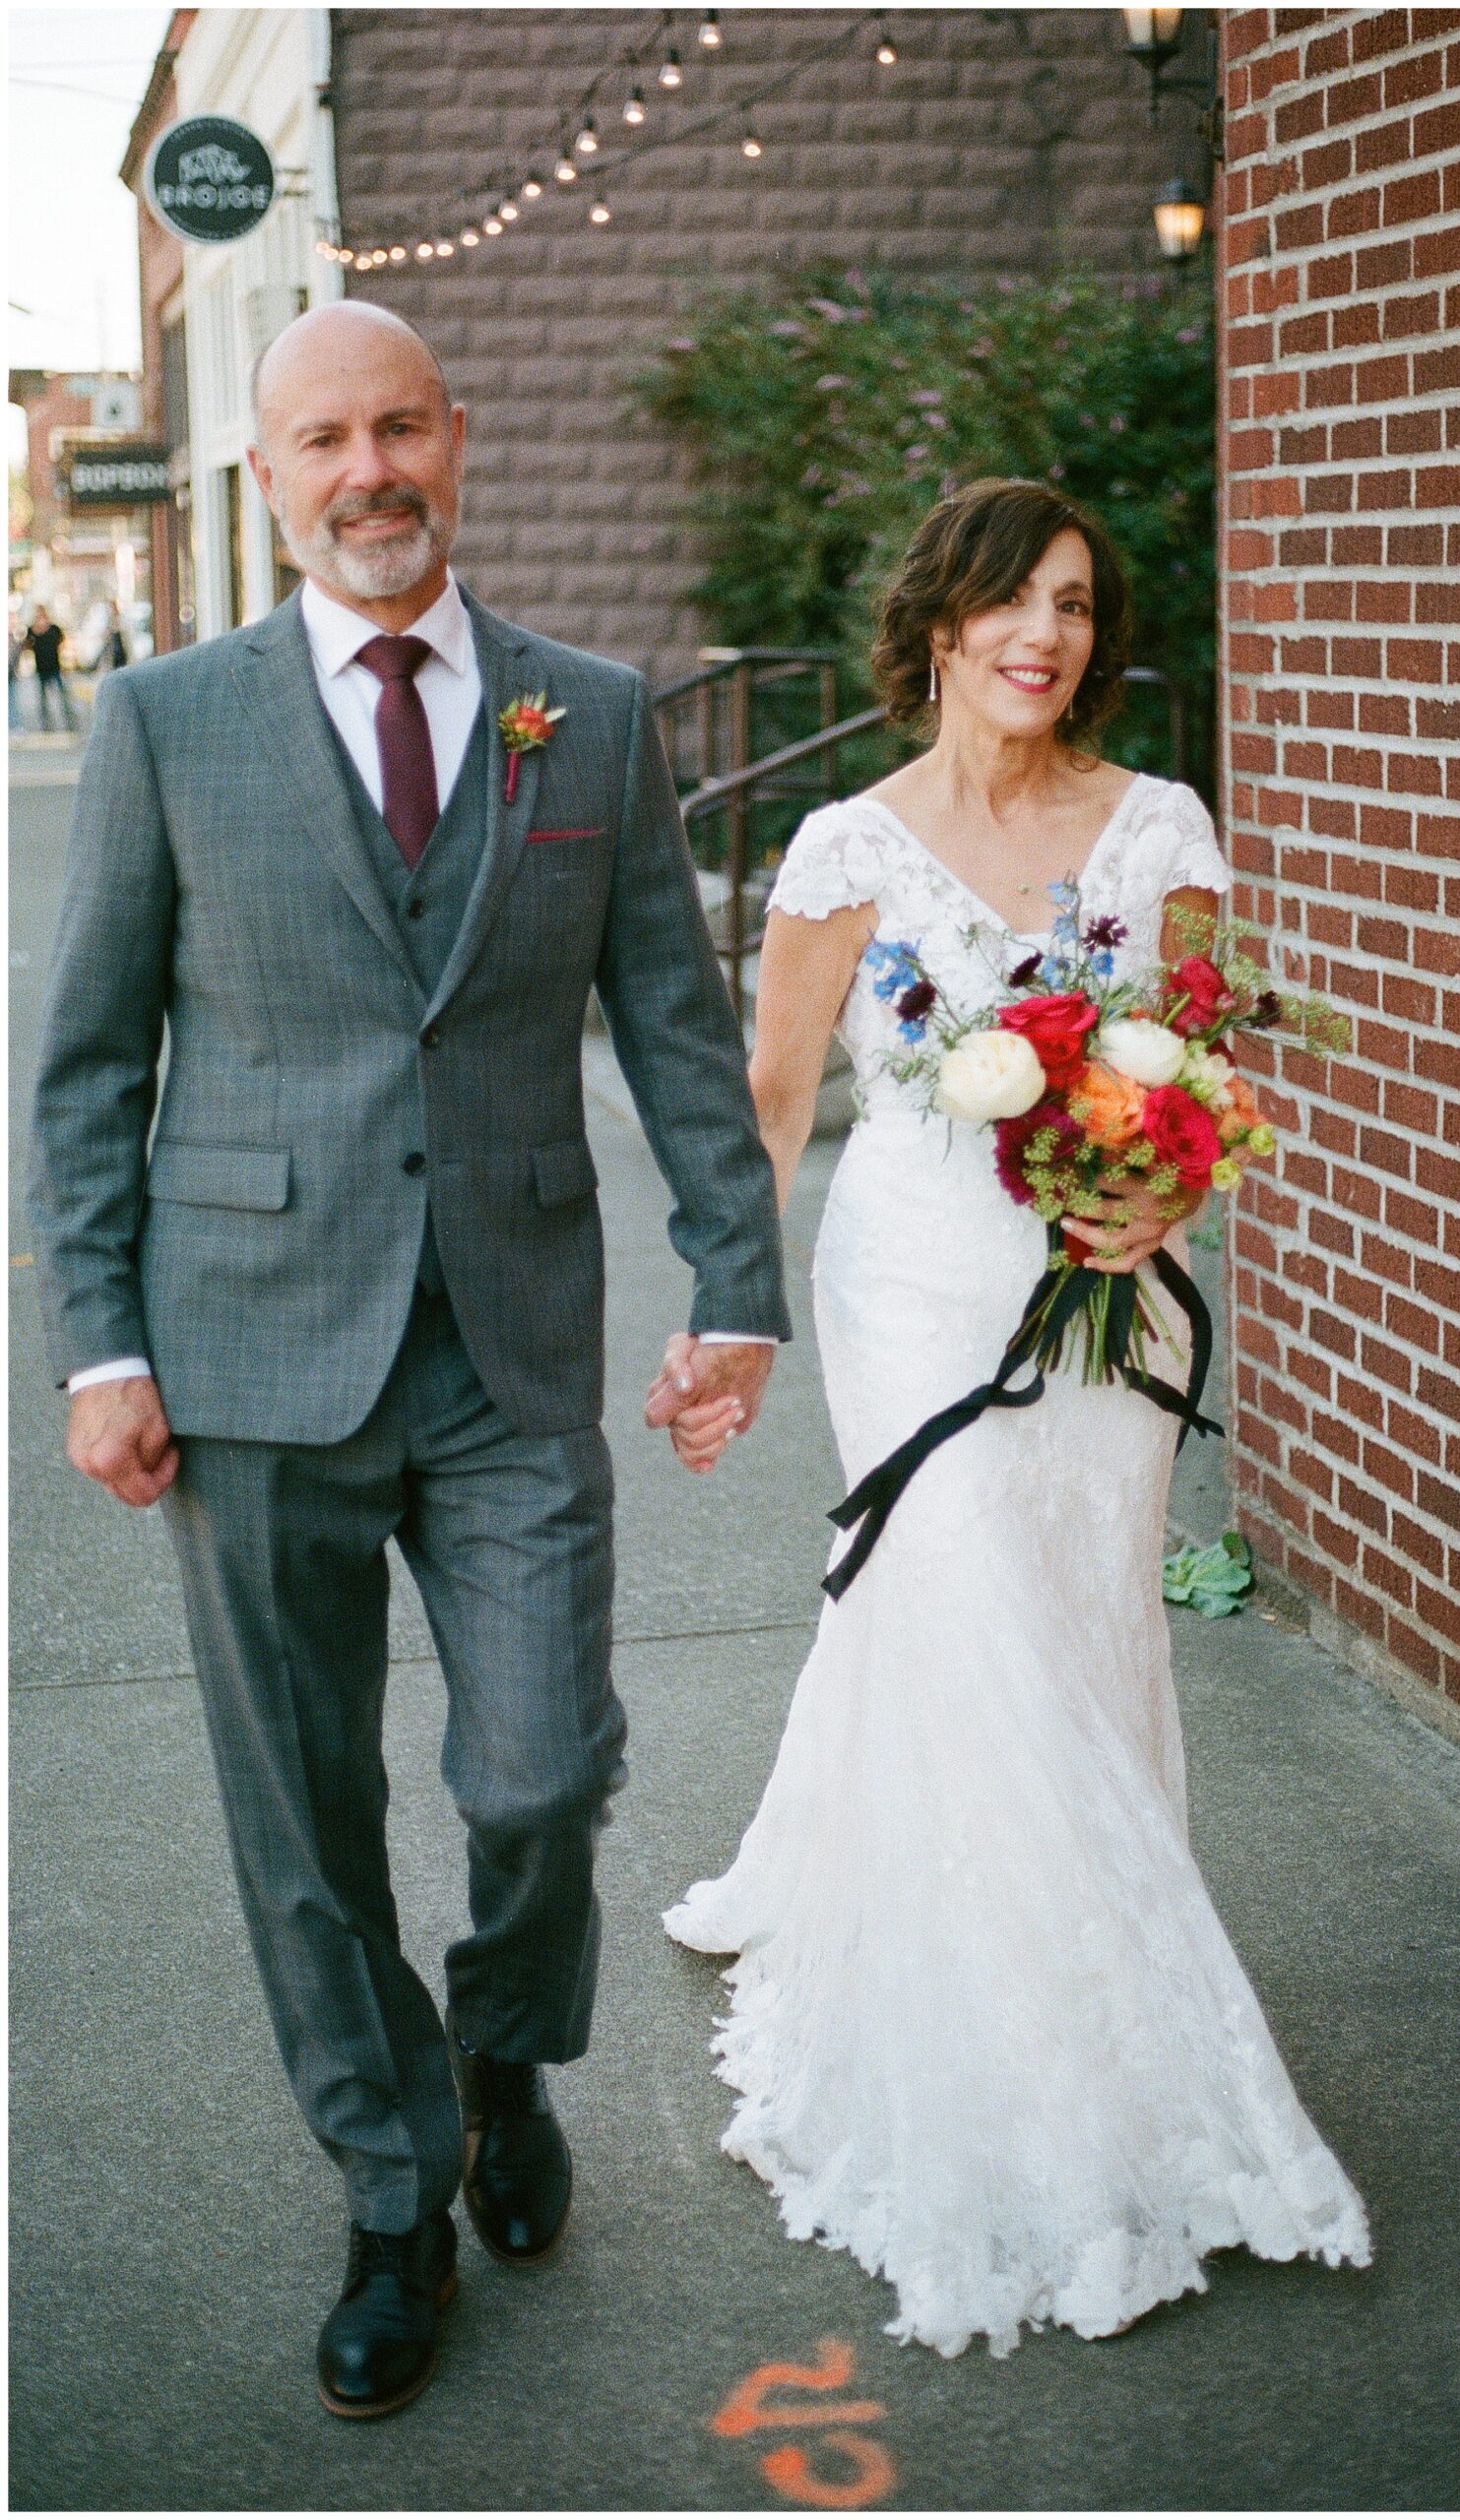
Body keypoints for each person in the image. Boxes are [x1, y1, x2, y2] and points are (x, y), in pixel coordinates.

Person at [29, 300, 789, 2420]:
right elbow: (87, 1068)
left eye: (396, 429)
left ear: (455, 441)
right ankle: (390, 2184)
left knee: (538, 1768)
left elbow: (669, 1023)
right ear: (266, 479)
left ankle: (500, 2049)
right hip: (247, 1350)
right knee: (304, 1809)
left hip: (514, 1343)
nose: (366, 470)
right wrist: (98, 1342)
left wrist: (733, 1286)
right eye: (320, 442)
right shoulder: (173, 721)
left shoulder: (592, 717)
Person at [660, 479, 1372, 2358]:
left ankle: (1063, 1968)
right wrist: (726, 1319)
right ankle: (1027, 2076)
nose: (1042, 634)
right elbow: (777, 1091)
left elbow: (1196, 1065)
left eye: (1071, 603)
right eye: (1009, 601)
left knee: (1073, 1623)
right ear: (942, 624)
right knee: (964, 1603)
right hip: (907, 1291)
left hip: (1091, 1296)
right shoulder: (839, 846)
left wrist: (1167, 1198)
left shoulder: (1155, 830)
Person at [25, 605, 76, 731]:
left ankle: (70, 723)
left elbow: (62, 642)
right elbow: (26, 646)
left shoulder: (54, 629)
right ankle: (47, 726)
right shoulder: (32, 631)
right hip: (41, 670)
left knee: (63, 697)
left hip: (55, 668)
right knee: (43, 701)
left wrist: (66, 662)